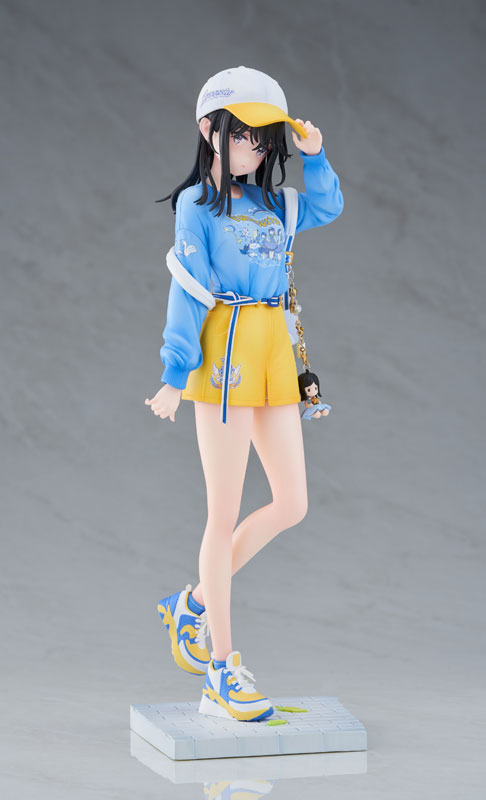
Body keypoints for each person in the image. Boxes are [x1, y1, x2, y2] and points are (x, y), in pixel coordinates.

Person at [145, 66, 344, 722]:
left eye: (263, 140)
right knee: (222, 512)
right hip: (225, 356)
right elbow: (187, 287)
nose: (253, 150)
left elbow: (328, 206)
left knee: (292, 503)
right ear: (210, 130)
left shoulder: (275, 203)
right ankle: (222, 668)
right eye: (242, 136)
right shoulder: (196, 207)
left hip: (274, 354)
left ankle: (194, 603)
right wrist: (176, 374)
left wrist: (314, 156)